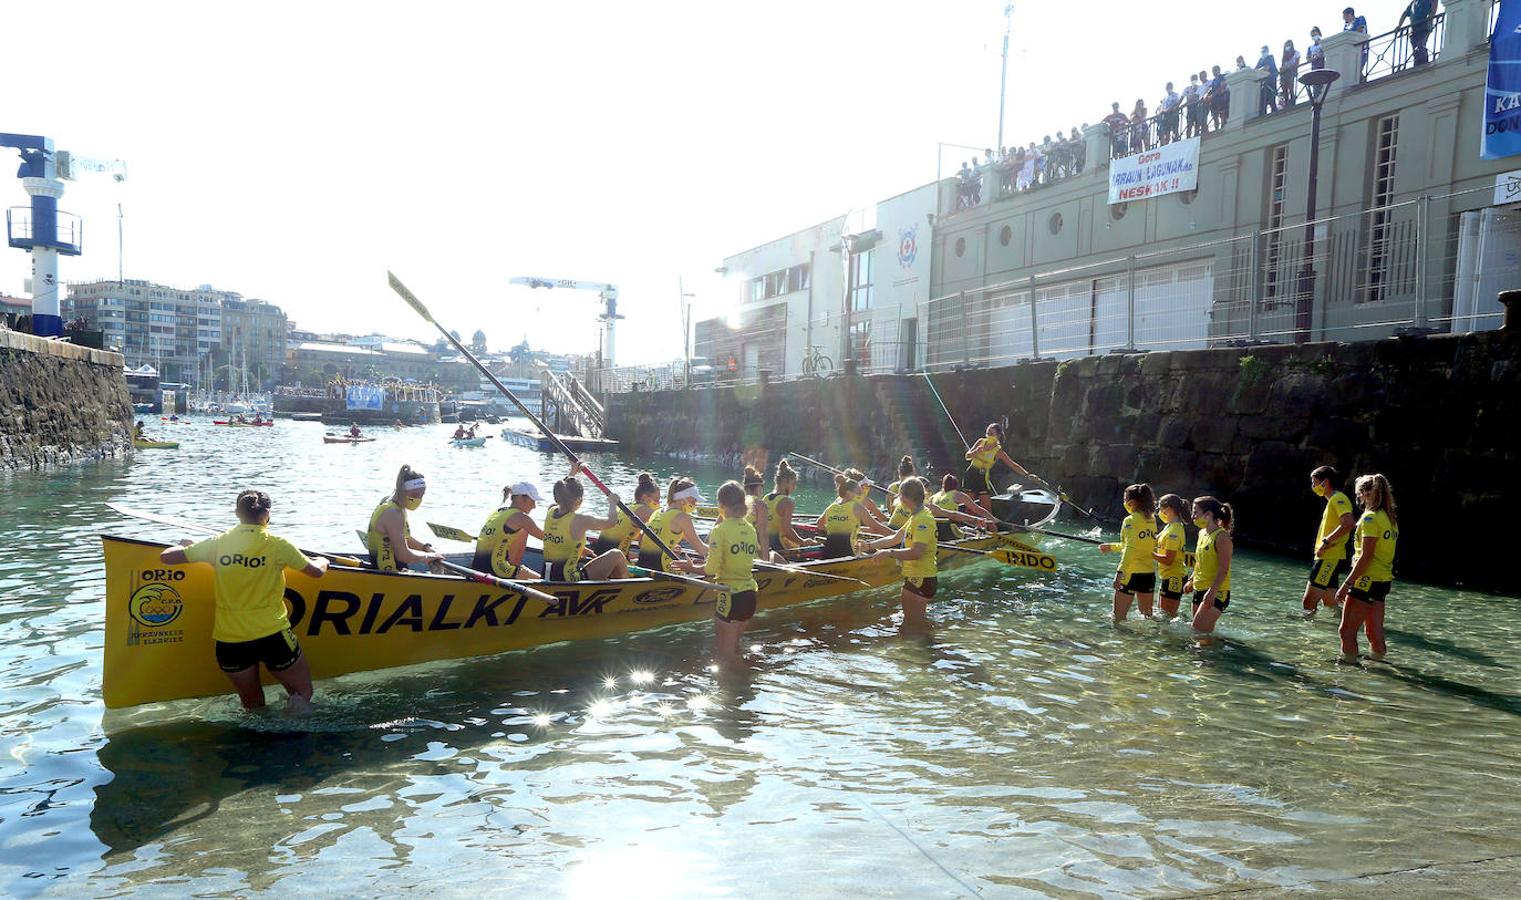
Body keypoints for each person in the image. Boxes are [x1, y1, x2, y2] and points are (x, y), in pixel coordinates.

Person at [158, 490, 329, 712]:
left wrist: (186, 546)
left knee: (253, 706)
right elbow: (316, 572)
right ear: (267, 514)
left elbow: (166, 557)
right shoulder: (278, 544)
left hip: (231, 641)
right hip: (272, 634)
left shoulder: (218, 543)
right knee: (302, 693)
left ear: (237, 513)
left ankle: (255, 743)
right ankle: (294, 738)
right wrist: (323, 560)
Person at [691, 480, 760, 662]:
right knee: (736, 652)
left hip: (729, 596)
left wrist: (689, 567)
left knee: (724, 658)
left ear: (721, 506)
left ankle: (732, 686)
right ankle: (744, 684)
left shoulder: (720, 530)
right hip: (749, 595)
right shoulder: (750, 529)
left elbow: (710, 569)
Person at [1335, 474, 1399, 662]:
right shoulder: (1390, 519)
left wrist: (1347, 584)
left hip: (1366, 579)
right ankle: (1378, 668)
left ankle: (1347, 669)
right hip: (1382, 580)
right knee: (1373, 630)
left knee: (1346, 631)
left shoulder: (1370, 519)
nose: (1358, 499)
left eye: (1359, 495)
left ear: (1366, 493)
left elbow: (1366, 556)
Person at [864, 478, 939, 625]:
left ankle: (929, 646)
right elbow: (895, 537)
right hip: (914, 577)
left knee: (914, 626)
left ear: (905, 498)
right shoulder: (915, 516)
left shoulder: (923, 519)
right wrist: (868, 545)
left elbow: (917, 552)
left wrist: (889, 553)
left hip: (922, 577)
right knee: (910, 625)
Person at [541, 469, 629, 582]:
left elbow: (562, 491)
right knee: (616, 554)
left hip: (546, 575)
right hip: (569, 579)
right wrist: (613, 503)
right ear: (579, 500)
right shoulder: (580, 520)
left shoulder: (551, 510)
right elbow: (611, 522)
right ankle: (626, 592)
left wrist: (573, 471)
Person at [367, 464, 444, 571]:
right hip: (389, 572)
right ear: (403, 491)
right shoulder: (393, 513)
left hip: (394, 568)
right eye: (415, 495)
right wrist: (427, 557)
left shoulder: (393, 505)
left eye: (422, 495)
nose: (419, 499)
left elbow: (405, 539)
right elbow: (403, 555)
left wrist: (426, 548)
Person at [1302, 465, 1356, 618]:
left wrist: (1326, 542)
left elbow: (1349, 523)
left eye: (1314, 482)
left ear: (1325, 483)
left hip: (1328, 556)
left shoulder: (1338, 499)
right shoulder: (1333, 500)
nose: (1313, 486)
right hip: (1329, 556)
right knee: (1329, 601)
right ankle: (1344, 624)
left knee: (1308, 601)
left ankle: (1303, 632)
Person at [1100, 483, 1158, 620]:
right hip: (1148, 574)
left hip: (1130, 573)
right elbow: (1135, 545)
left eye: (1125, 499)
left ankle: (1121, 641)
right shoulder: (1152, 520)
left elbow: (1130, 549)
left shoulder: (1130, 520)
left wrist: (1119, 573)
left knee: (1118, 618)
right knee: (1148, 617)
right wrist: (1112, 547)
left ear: (1132, 502)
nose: (1124, 502)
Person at [473, 481, 545, 580]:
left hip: (477, 567)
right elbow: (548, 539)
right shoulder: (521, 518)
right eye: (533, 501)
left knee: (523, 531)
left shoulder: (498, 513)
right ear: (521, 498)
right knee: (543, 581)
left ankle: (515, 570)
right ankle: (516, 573)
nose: (534, 506)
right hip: (498, 570)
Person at [1183, 496, 1234, 634]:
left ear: (1208, 514)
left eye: (1195, 512)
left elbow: (1224, 570)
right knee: (1202, 636)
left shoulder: (1222, 537)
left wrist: (1211, 593)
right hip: (1199, 588)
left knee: (1198, 633)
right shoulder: (1202, 533)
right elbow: (1199, 562)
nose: (1193, 516)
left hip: (1216, 592)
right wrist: (1191, 580)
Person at [638, 476, 708, 572]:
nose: (695, 504)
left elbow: (641, 542)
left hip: (642, 566)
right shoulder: (683, 517)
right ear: (683, 498)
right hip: (662, 571)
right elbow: (701, 549)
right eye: (693, 501)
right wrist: (723, 552)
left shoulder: (657, 512)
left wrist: (669, 547)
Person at [963, 422, 1032, 518]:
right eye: (987, 433)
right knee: (969, 509)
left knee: (986, 510)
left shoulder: (999, 452)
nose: (989, 436)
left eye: (992, 434)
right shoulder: (980, 442)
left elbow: (1012, 465)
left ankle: (991, 530)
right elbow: (967, 456)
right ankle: (970, 529)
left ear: (998, 436)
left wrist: (1027, 474)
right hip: (970, 475)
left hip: (982, 478)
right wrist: (975, 452)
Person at [590, 472, 659, 557]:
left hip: (599, 554)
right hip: (614, 561)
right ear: (645, 498)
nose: (658, 503)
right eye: (657, 499)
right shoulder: (643, 510)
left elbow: (631, 535)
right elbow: (663, 524)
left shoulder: (626, 507)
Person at [1152, 493, 1189, 620]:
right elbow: (1154, 539)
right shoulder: (1169, 526)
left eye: (1161, 508)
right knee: (1161, 614)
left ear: (1170, 509)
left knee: (1167, 618)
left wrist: (1150, 554)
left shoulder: (1175, 531)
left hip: (1174, 577)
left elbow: (1168, 559)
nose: (1159, 512)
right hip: (1167, 575)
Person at [816, 473, 871, 559]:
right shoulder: (858, 506)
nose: (860, 495)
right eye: (858, 493)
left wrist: (834, 530)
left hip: (828, 554)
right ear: (850, 493)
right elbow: (877, 528)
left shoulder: (831, 507)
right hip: (848, 554)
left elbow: (819, 524)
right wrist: (895, 535)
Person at [758, 459, 806, 557]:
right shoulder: (787, 502)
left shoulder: (766, 498)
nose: (795, 487)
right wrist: (803, 542)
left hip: (763, 546)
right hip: (778, 548)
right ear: (785, 482)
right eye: (793, 484)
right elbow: (786, 531)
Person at [927, 474, 985, 542]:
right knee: (979, 533)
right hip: (950, 529)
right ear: (955, 485)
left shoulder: (933, 497)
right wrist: (992, 519)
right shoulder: (956, 494)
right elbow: (976, 509)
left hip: (936, 530)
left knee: (966, 529)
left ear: (943, 484)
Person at [1400, 0, 1435, 67]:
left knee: (1421, 45)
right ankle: (1417, 63)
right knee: (1415, 47)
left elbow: (1433, 9)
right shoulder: (1414, 2)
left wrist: (1430, 17)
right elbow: (1404, 14)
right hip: (1414, 29)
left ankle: (1424, 64)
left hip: (1423, 27)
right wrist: (1399, 26)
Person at [1255, 45, 1279, 116]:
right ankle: (1262, 115)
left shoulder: (1270, 58)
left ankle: (1274, 114)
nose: (1263, 53)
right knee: (1263, 101)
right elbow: (1255, 69)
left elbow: (1266, 68)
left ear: (1267, 51)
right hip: (1263, 84)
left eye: (1264, 51)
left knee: (1271, 99)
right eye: (1262, 51)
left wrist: (1258, 71)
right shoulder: (1260, 60)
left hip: (1271, 82)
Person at [1344, 7, 1369, 73]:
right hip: (1351, 52)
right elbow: (1344, 38)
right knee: (1353, 71)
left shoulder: (1360, 19)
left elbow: (1360, 29)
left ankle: (1362, 80)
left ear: (1350, 14)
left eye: (1344, 16)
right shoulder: (1346, 26)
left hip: (1362, 49)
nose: (1344, 19)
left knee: (1358, 68)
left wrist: (1351, 34)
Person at [1206, 65, 1229, 130]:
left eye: (1214, 70)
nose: (1213, 72)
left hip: (1222, 98)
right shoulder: (1213, 80)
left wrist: (1213, 95)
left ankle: (1223, 126)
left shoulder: (1222, 76)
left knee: (1222, 114)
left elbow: (1223, 86)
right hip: (1215, 101)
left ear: (1218, 70)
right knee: (1214, 115)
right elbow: (1212, 90)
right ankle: (1216, 128)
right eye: (1212, 71)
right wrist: (1208, 96)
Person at [1280, 40, 1302, 109]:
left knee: (1291, 87)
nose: (1287, 47)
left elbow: (1296, 64)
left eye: (1288, 45)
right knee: (1284, 87)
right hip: (1284, 73)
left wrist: (1288, 67)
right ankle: (1286, 101)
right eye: (1286, 46)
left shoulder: (1296, 53)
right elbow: (1282, 67)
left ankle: (1292, 101)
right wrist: (1284, 68)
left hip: (1292, 72)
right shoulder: (1284, 56)